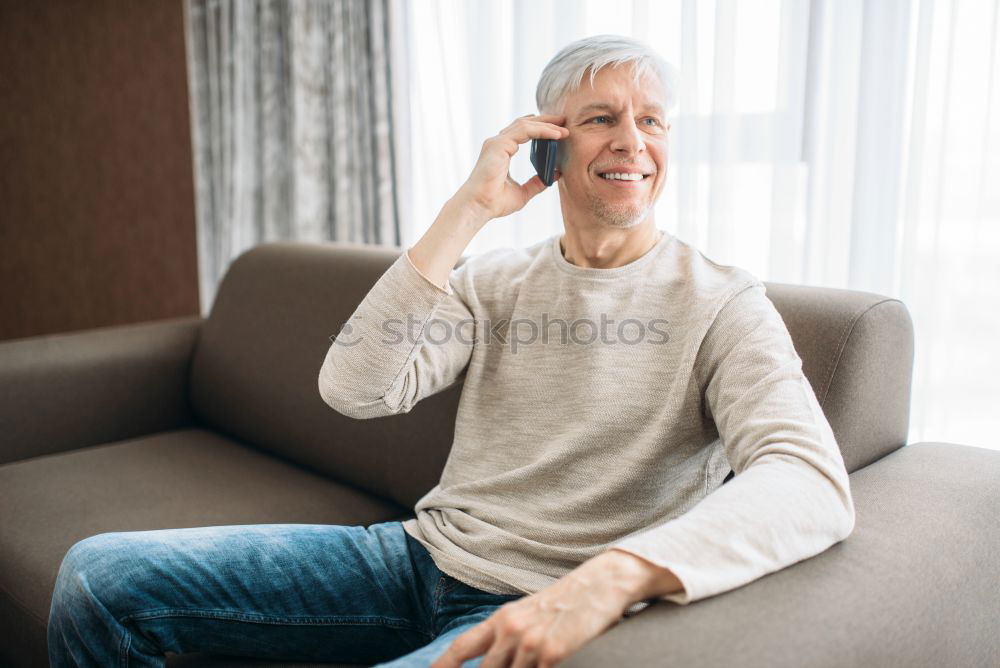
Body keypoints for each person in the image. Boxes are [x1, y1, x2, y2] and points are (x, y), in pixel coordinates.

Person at [48, 34, 855, 668]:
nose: (632, 141)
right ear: (549, 145)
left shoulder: (721, 300)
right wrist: (469, 210)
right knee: (98, 577)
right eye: (601, 117)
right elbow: (357, 389)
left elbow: (809, 480)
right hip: (416, 558)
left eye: (652, 121)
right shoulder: (493, 280)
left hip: (538, 601)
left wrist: (612, 577)